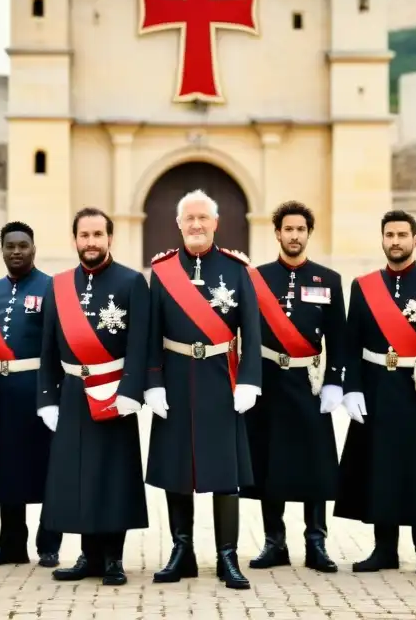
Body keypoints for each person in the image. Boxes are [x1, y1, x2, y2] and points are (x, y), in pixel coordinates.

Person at [143, 188, 263, 590]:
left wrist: (249, 380)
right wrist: (153, 384)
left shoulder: (236, 269)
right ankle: (182, 551)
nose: (196, 224)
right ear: (178, 224)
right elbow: (150, 336)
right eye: (188, 218)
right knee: (177, 468)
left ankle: (227, 556)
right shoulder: (162, 272)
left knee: (224, 471)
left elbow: (251, 330)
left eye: (203, 218)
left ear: (216, 223)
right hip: (175, 379)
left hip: (220, 378)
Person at [333, 210, 416, 580]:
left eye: (403, 235)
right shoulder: (364, 285)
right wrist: (351, 388)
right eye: (390, 235)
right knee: (380, 468)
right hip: (375, 388)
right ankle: (384, 548)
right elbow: (350, 342)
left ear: (415, 240)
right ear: (382, 239)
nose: (396, 241)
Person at [36, 207, 150, 586]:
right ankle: (88, 556)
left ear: (110, 238)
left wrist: (132, 391)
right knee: (79, 475)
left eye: (98, 235)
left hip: (113, 392)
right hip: (71, 392)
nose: (91, 242)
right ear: (75, 240)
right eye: (84, 236)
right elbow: (49, 347)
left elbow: (140, 344)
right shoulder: (59, 285)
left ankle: (114, 559)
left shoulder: (132, 282)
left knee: (113, 475)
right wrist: (46, 397)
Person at [240, 201, 346, 573]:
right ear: (278, 234)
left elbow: (339, 338)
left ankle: (316, 541)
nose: (295, 235)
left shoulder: (328, 280)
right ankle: (275, 542)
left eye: (301, 229)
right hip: (268, 382)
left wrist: (335, 383)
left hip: (309, 383)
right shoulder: (257, 278)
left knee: (314, 464)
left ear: (308, 233)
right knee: (270, 464)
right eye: (288, 229)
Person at [0, 222, 62, 568]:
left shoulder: (51, 287)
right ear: (2, 249)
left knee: (46, 466)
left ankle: (49, 543)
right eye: (10, 246)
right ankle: (11, 542)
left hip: (39, 387)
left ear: (34, 248)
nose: (16, 252)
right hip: (3, 389)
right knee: (6, 467)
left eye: (23, 245)